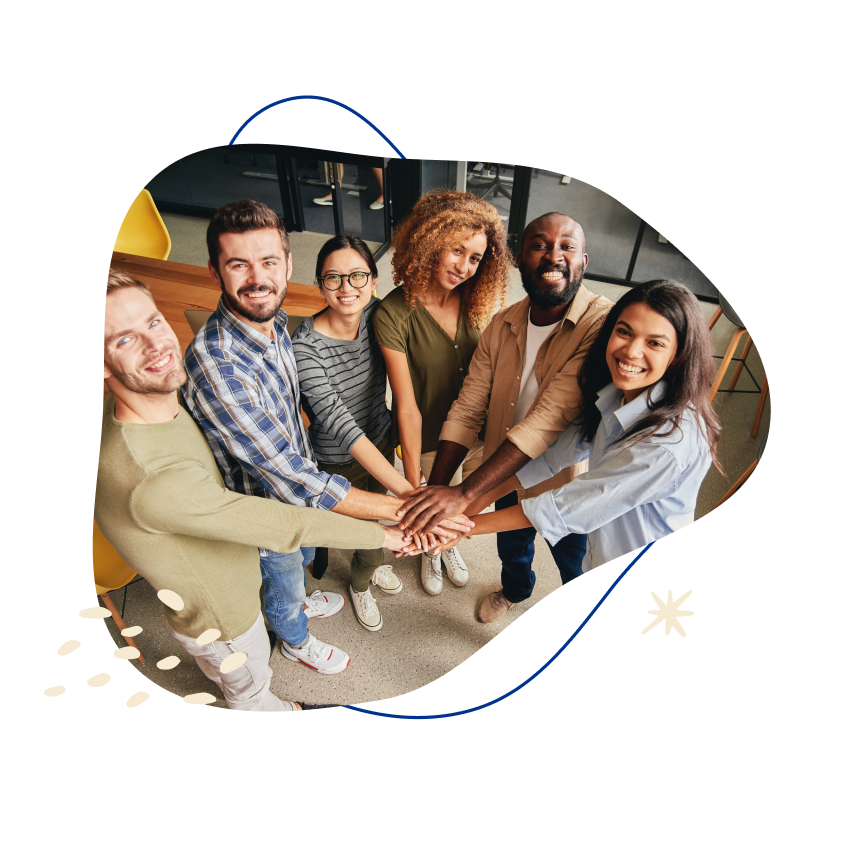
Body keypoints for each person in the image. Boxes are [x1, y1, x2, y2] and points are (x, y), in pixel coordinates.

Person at [98, 269, 414, 711]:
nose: (158, 346)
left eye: (152, 322)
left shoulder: (151, 399)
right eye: (124, 340)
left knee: (287, 583)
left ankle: (295, 611)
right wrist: (389, 533)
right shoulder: (154, 481)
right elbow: (287, 526)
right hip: (224, 618)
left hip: (238, 560)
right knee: (251, 686)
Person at [181, 201, 469, 673]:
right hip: (265, 505)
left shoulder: (270, 320)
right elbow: (300, 478)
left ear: (288, 265)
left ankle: (302, 605)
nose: (257, 277)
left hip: (301, 474)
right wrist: (418, 507)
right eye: (239, 264)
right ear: (215, 270)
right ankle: (294, 639)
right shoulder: (221, 367)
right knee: (285, 576)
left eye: (269, 261)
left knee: (307, 558)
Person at [407, 280, 722, 589]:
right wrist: (466, 502)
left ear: (681, 353)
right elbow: (553, 457)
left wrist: (460, 527)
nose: (631, 352)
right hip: (602, 551)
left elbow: (566, 508)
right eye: (624, 332)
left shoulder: (668, 445)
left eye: (655, 343)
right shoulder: (612, 392)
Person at [395, 212, 615, 622]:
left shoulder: (600, 323)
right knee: (513, 548)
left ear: (584, 260)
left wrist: (462, 496)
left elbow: (549, 417)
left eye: (567, 246)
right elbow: (468, 407)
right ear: (519, 258)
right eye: (540, 245)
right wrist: (438, 491)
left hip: (561, 479)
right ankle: (515, 590)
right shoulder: (502, 323)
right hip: (500, 472)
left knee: (574, 560)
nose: (554, 256)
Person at [373, 190, 512, 596]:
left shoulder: (476, 301)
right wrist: (414, 483)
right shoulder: (392, 314)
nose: (465, 267)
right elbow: (406, 406)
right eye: (457, 251)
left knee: (467, 501)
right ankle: (431, 551)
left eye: (475, 259)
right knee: (434, 499)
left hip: (482, 432)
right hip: (432, 434)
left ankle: (447, 543)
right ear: (429, 241)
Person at [291, 235, 415, 632]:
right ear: (320, 284)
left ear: (374, 281)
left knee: (380, 522)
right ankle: (360, 585)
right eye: (334, 278)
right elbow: (340, 425)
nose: (347, 288)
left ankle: (368, 569)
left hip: (381, 436)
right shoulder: (304, 348)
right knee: (369, 529)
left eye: (357, 276)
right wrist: (409, 492)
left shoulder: (379, 315)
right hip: (337, 458)